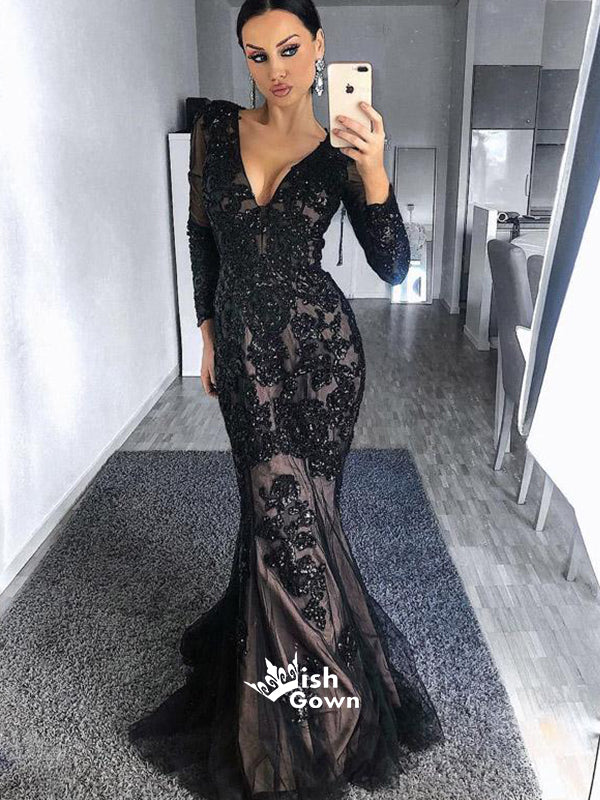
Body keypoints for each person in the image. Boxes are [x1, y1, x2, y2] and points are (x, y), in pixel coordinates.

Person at [128, 1, 444, 797]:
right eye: (257, 53)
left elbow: (395, 267)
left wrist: (376, 171)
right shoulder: (215, 131)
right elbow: (202, 236)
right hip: (243, 354)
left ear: (321, 48)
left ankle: (320, 719)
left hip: (323, 360)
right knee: (273, 516)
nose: (275, 69)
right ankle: (282, 702)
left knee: (305, 518)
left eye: (291, 49)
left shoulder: (343, 147)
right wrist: (206, 332)